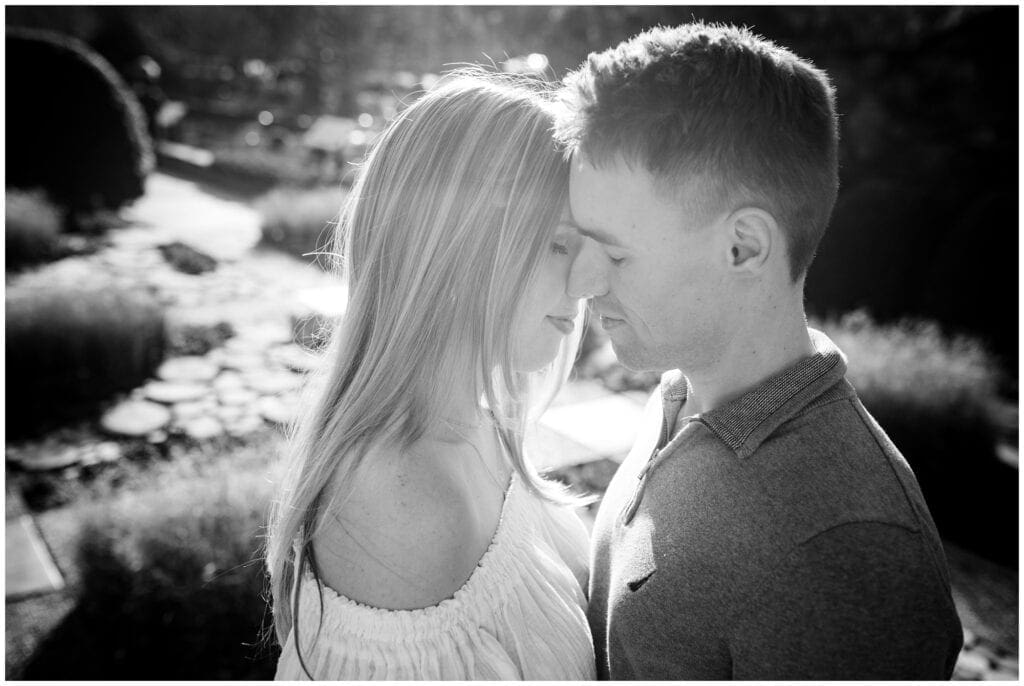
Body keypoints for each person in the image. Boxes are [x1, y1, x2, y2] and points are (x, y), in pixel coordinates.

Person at [555, 23, 964, 680]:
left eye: (616, 253)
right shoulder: (681, 393)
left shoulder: (846, 554)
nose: (582, 281)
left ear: (744, 247)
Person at [267, 71, 596, 680]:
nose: (589, 280)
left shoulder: (484, 420)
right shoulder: (404, 505)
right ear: (462, 244)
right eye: (557, 243)